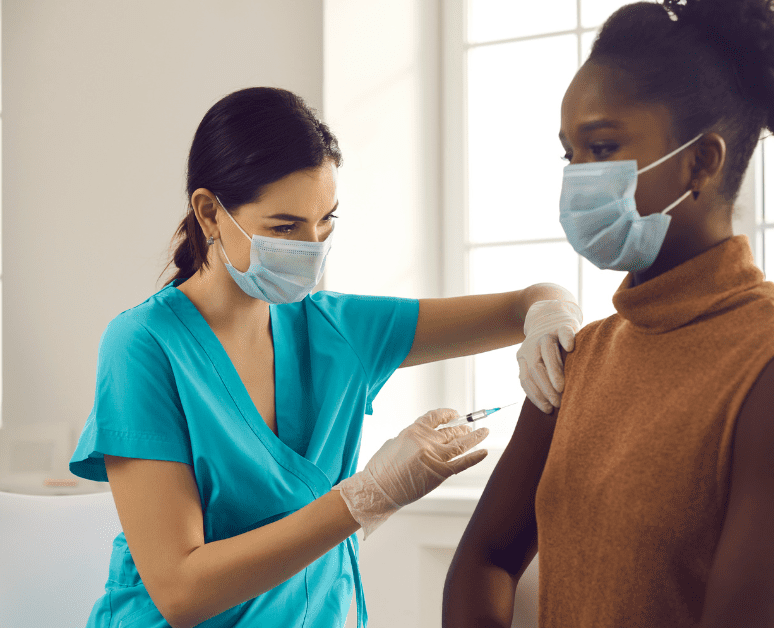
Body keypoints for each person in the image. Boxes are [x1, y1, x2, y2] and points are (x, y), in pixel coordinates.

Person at [68, 87, 584, 628]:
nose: (312, 247)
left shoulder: (338, 328)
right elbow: (180, 591)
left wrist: (552, 313)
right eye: (285, 227)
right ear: (209, 213)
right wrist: (366, 497)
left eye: (327, 221)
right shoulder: (144, 345)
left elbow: (526, 302)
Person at [444, 1, 774, 627]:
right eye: (569, 154)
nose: (578, 178)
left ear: (701, 162)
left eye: (602, 147)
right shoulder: (579, 358)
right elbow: (485, 563)